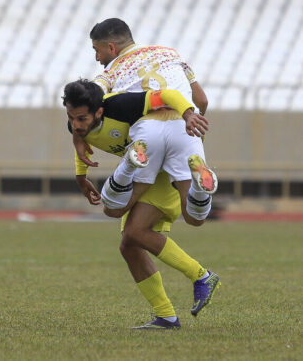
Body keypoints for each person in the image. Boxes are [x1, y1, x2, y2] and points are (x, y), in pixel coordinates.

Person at [63, 79, 221, 329]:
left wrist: (189, 113)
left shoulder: (122, 104)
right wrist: (81, 176)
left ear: (99, 111)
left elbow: (169, 95)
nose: (75, 124)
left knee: (122, 219)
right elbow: (79, 139)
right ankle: (167, 316)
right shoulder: (78, 121)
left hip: (159, 162)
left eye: (81, 119)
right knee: (130, 244)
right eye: (72, 118)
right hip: (154, 156)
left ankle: (200, 276)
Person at [75, 18, 216, 225]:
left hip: (147, 131)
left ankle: (129, 167)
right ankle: (199, 185)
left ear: (111, 47)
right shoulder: (171, 53)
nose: (97, 57)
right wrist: (194, 121)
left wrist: (78, 140)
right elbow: (202, 100)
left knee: (113, 209)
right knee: (194, 217)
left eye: (97, 50)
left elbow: (84, 102)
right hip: (184, 126)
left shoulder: (111, 71)